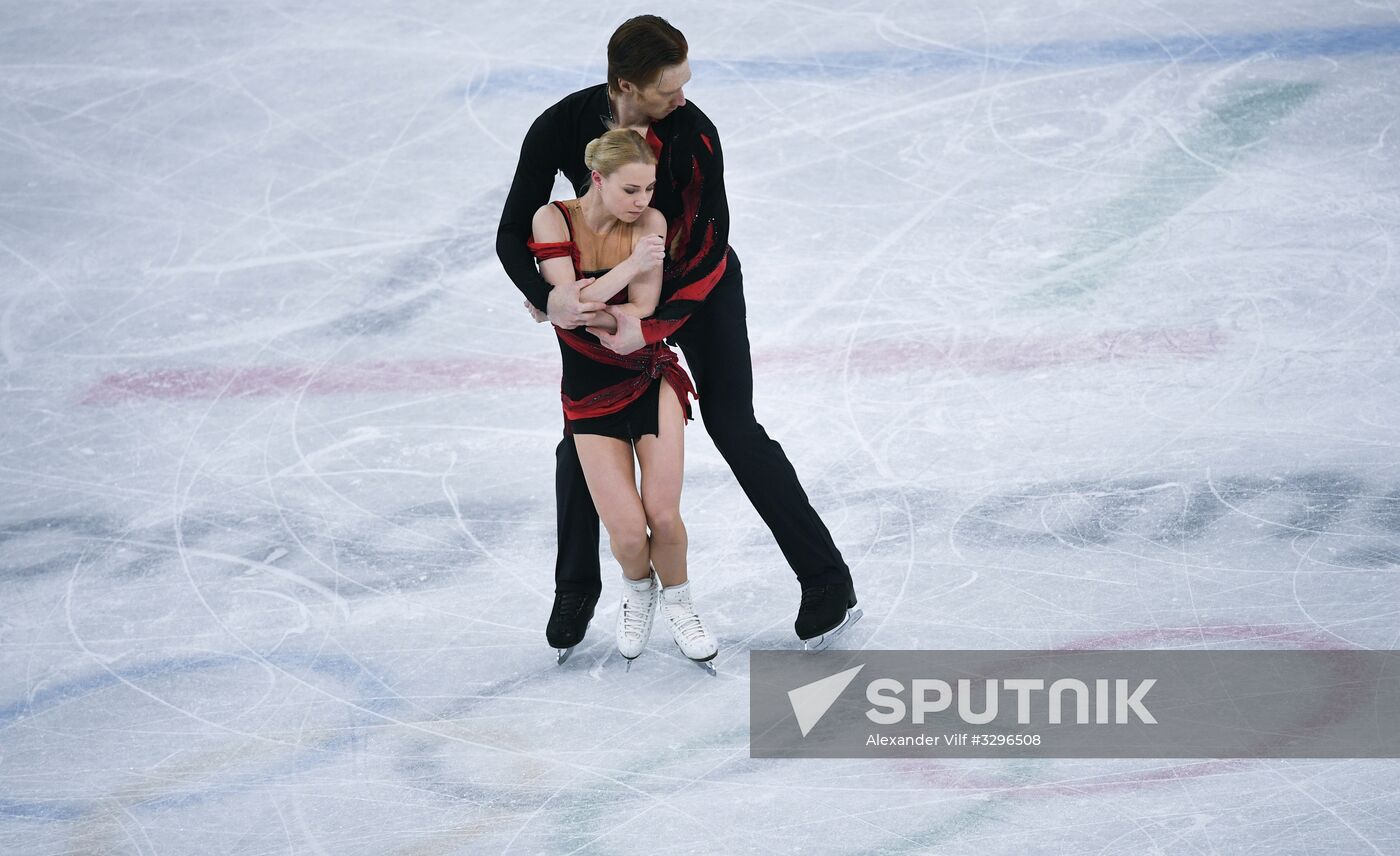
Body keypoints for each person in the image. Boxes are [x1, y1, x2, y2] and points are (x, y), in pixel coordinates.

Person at [497, 15, 860, 658]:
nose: (683, 98)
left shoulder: (695, 136)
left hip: (699, 289)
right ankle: (576, 586)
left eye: (684, 84)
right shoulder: (562, 124)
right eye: (668, 89)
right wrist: (549, 295)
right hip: (608, 301)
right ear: (626, 85)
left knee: (734, 424)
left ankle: (827, 580)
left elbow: (705, 247)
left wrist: (644, 323)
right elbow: (513, 231)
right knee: (581, 436)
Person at [526, 128, 717, 669]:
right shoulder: (552, 219)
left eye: (650, 189)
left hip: (651, 376)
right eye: (631, 190)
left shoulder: (652, 224)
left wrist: (569, 305)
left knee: (664, 513)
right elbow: (575, 308)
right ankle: (639, 588)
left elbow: (638, 312)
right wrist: (628, 271)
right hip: (587, 393)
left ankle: (680, 599)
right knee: (629, 534)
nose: (644, 203)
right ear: (597, 179)